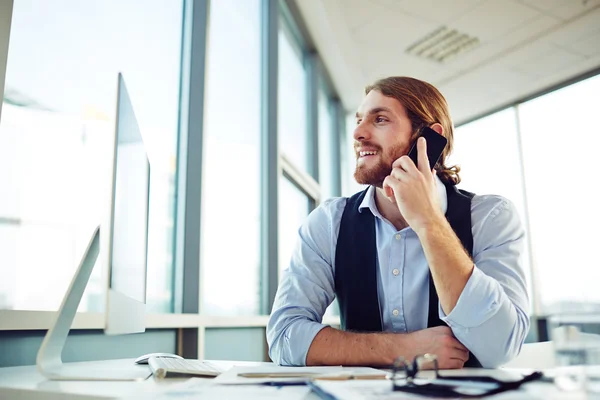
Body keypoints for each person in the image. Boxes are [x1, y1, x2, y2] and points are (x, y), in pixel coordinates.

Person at [267, 76, 529, 369]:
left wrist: (429, 221)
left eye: (379, 119)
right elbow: (284, 336)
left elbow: (500, 348)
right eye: (358, 120)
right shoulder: (329, 222)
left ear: (428, 138)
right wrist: (404, 349)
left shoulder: (490, 217)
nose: (358, 133)